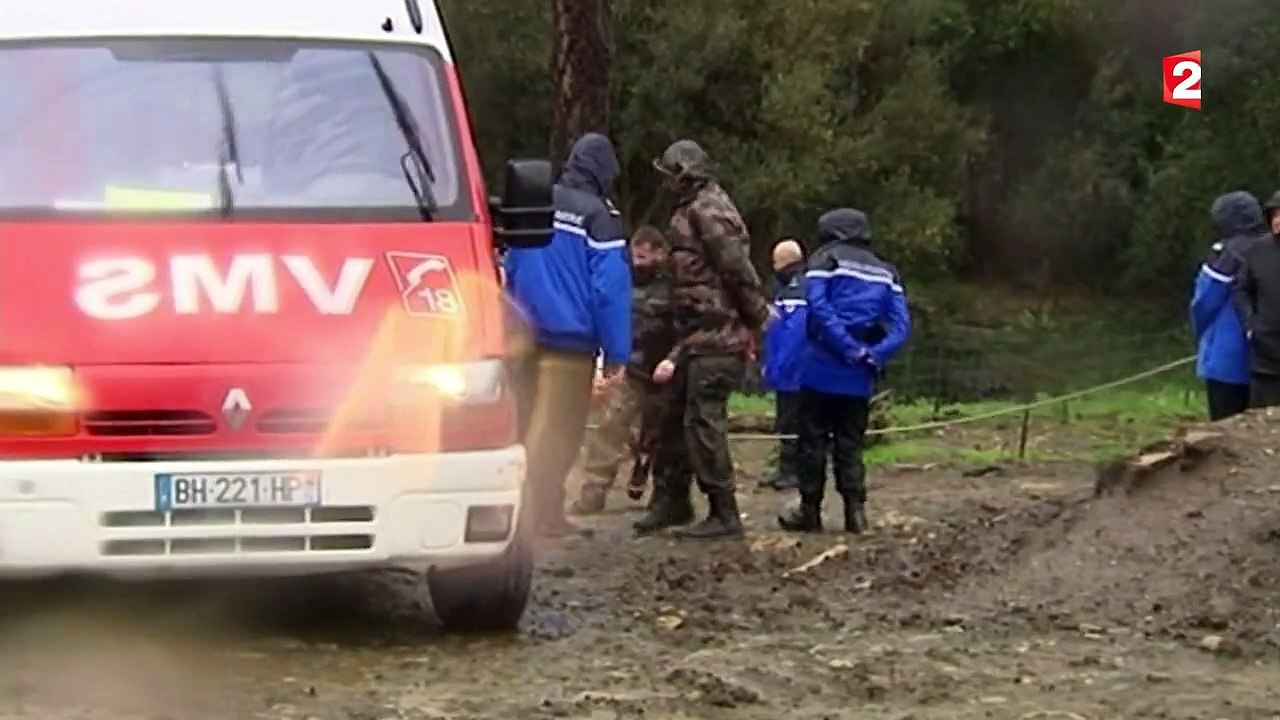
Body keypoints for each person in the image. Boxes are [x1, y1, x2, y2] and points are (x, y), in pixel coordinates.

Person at [503, 133, 631, 537]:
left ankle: (522, 512)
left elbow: (510, 262)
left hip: (522, 337)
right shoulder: (599, 216)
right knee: (559, 433)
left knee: (524, 426)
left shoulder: (536, 201)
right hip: (569, 344)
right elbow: (610, 288)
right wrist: (617, 350)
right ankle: (542, 517)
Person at [645, 139, 770, 539]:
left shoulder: (709, 210)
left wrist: (757, 319)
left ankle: (724, 511)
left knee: (703, 422)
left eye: (669, 174)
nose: (664, 183)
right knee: (671, 419)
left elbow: (736, 268)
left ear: (685, 174)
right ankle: (671, 502)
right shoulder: (690, 210)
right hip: (690, 336)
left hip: (716, 334)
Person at [779, 208, 910, 535]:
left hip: (821, 365)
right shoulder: (886, 271)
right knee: (850, 443)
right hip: (860, 374)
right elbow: (901, 326)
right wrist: (874, 354)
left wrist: (846, 346)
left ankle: (810, 512)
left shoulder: (824, 261)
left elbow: (819, 308)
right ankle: (856, 513)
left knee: (812, 441)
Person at [570, 226, 676, 515]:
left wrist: (674, 360)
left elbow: (683, 327)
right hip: (629, 369)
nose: (638, 262)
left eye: (644, 257)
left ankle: (661, 494)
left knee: (660, 435)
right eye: (635, 256)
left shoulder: (674, 286)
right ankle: (593, 493)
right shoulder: (621, 282)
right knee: (609, 430)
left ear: (660, 254)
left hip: (666, 372)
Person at [1191, 191, 1268, 420]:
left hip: (1227, 360)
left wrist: (1201, 337)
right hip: (1270, 360)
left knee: (1226, 429)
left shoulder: (1224, 255)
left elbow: (1204, 303)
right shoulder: (1271, 247)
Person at [761, 238, 807, 490]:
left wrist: (779, 367)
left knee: (792, 420)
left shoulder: (795, 291)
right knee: (787, 419)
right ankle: (786, 467)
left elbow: (792, 334)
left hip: (793, 370)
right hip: (787, 368)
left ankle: (793, 471)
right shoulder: (787, 287)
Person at [1234, 190, 1280, 409]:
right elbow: (1241, 289)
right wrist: (1250, 324)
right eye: (1274, 214)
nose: (1278, 220)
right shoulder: (1258, 250)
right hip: (1265, 359)